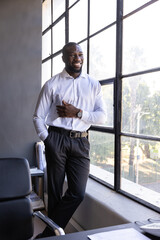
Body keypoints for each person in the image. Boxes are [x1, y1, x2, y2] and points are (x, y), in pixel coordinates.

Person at [33, 42, 107, 238]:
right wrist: (47, 139)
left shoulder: (93, 84)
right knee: (55, 191)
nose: (77, 58)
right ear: (64, 58)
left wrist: (78, 113)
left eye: (80, 54)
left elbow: (102, 116)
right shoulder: (52, 84)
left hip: (81, 142)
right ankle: (55, 235)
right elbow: (37, 117)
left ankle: (48, 233)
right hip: (56, 138)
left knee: (78, 192)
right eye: (72, 55)